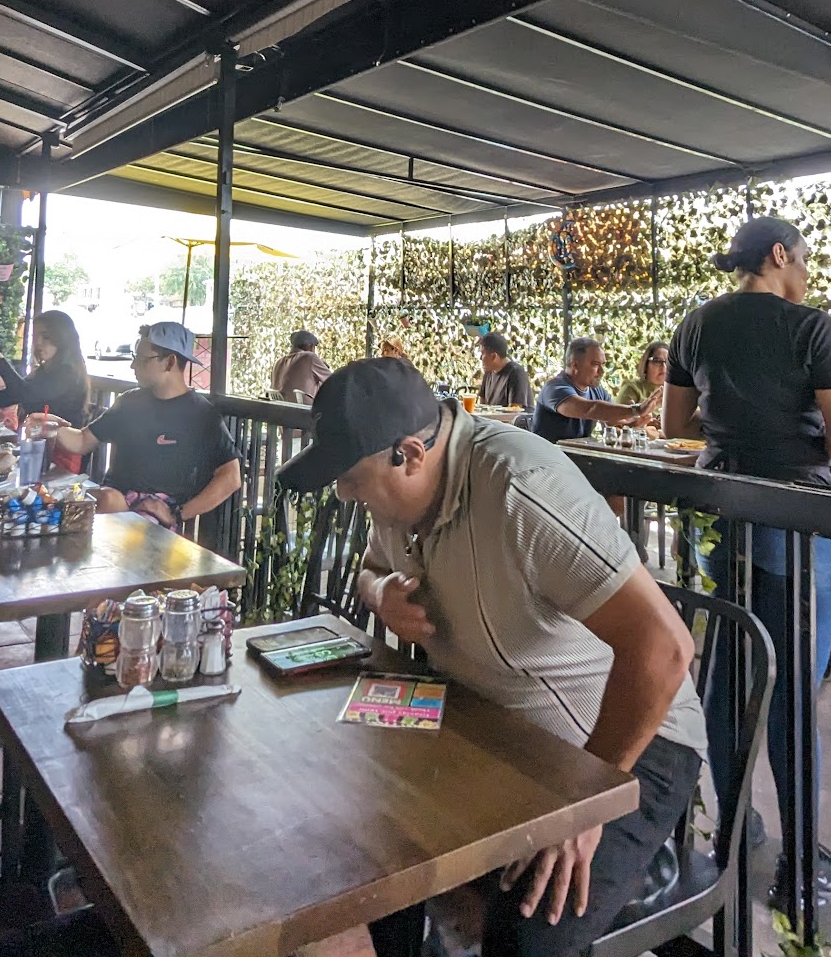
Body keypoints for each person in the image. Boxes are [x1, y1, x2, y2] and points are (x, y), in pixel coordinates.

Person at [278, 359, 706, 957]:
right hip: (488, 726)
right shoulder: (397, 498)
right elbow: (370, 570)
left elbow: (664, 649)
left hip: (625, 742)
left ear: (410, 454)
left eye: (350, 478)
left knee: (525, 936)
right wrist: (380, 595)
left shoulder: (521, 487)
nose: (344, 493)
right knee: (362, 846)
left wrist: (586, 802)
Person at [662, 216, 831, 905]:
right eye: (803, 259)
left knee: (726, 678)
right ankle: (801, 869)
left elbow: (675, 425)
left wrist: (737, 422)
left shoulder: (696, 325)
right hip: (794, 525)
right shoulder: (813, 330)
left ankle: (733, 825)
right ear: (780, 255)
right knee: (790, 692)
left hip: (717, 521)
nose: (807, 273)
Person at [44, 322, 242, 535]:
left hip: (154, 520)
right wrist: (51, 427)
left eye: (141, 359)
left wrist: (178, 513)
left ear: (169, 362)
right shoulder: (129, 402)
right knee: (62, 504)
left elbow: (231, 477)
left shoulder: (201, 414)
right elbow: (83, 441)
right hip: (110, 503)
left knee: (108, 505)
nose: (133, 366)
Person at [0, 310, 93, 429]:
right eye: (35, 335)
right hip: (39, 438)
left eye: (46, 336)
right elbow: (1, 398)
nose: (38, 342)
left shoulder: (68, 373)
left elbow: (23, 393)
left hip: (61, 441)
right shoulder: (43, 371)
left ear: (62, 339)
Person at [532, 337, 651, 444]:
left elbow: (612, 421)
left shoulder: (597, 391)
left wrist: (633, 423)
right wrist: (636, 410)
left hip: (576, 457)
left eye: (603, 364)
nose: (602, 371)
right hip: (547, 459)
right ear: (575, 365)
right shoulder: (555, 388)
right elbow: (589, 409)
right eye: (595, 364)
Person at [614, 341, 670, 433]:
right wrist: (642, 423)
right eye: (657, 361)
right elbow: (618, 426)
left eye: (668, 362)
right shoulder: (632, 388)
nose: (663, 366)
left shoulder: (675, 391)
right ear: (646, 364)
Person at [269, 329, 332, 401]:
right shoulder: (309, 357)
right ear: (310, 346)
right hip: (301, 407)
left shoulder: (278, 362)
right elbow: (333, 381)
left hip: (279, 406)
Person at [477, 331, 533, 410]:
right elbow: (482, 405)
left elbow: (514, 410)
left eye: (482, 353)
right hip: (491, 418)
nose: (480, 358)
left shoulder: (516, 373)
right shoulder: (489, 371)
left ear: (494, 356)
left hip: (512, 418)